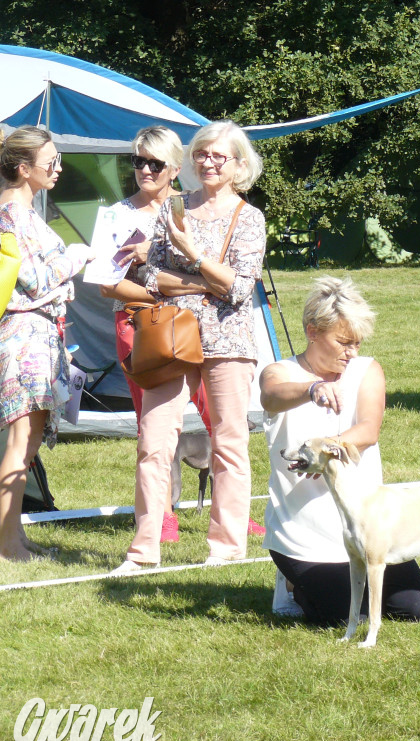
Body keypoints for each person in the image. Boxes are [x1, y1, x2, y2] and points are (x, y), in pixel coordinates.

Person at [112, 120, 266, 573]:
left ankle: (226, 546)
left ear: (239, 165)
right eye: (203, 153)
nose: (209, 162)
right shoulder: (173, 207)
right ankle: (143, 552)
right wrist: (203, 282)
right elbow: (149, 277)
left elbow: (239, 290)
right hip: (171, 340)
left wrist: (191, 253)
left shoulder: (249, 217)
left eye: (220, 155)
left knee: (230, 445)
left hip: (227, 342)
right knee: (154, 442)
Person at [260, 275, 420, 625]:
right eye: (343, 342)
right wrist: (312, 389)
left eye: (356, 343)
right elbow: (270, 396)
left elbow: (368, 431)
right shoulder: (279, 372)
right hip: (302, 531)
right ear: (312, 331)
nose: (351, 352)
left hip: (366, 525)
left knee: (415, 608)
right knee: (342, 614)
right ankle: (291, 582)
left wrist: (323, 454)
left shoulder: (366, 371)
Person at [99, 126, 215, 544]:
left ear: (175, 169)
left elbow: (211, 269)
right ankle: (160, 516)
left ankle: (227, 512)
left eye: (155, 163)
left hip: (198, 324)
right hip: (140, 325)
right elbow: (106, 284)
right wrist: (161, 290)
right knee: (152, 426)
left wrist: (186, 284)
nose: (145, 170)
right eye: (138, 161)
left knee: (217, 415)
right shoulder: (117, 215)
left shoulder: (192, 211)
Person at [0, 127, 92, 561]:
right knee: (21, 441)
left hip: (40, 333)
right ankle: (7, 544)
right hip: (24, 335)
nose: (58, 168)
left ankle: (13, 537)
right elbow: (34, 281)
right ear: (23, 168)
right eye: (50, 162)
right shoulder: (10, 213)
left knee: (29, 442)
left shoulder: (26, 212)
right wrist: (78, 256)